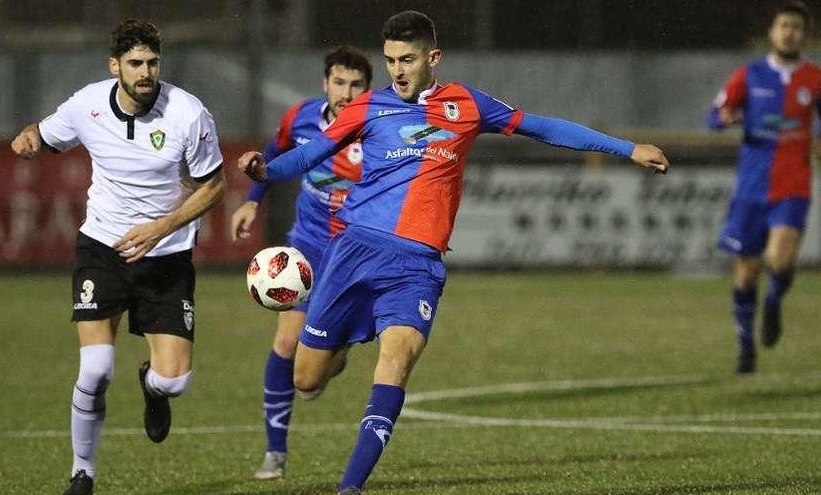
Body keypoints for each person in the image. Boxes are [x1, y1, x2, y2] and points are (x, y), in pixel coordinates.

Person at [238, 11, 668, 495]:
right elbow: (308, 155)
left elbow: (542, 126)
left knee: (397, 360)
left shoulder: (466, 104)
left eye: (407, 59)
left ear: (432, 58)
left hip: (417, 265)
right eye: (390, 60)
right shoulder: (368, 109)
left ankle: (350, 488)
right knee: (307, 378)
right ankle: (338, 347)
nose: (397, 70)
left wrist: (625, 148)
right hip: (353, 251)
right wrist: (265, 173)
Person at [10, 19, 226, 495]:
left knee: (174, 383)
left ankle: (151, 386)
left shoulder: (188, 113)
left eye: (152, 62)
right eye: (135, 64)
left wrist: (161, 228)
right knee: (95, 368)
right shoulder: (87, 104)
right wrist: (29, 139)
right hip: (102, 248)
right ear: (116, 67)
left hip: (166, 256)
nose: (145, 72)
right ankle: (82, 472)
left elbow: (214, 186)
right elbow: (44, 132)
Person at [230, 46, 373, 480]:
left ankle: (339, 349)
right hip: (308, 245)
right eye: (339, 83)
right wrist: (252, 202)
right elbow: (273, 153)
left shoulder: (378, 126)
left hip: (356, 251)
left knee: (313, 376)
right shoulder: (301, 117)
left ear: (368, 88)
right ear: (325, 83)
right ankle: (275, 451)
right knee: (288, 346)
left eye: (356, 85)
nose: (347, 92)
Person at [708, 1, 820, 374]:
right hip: (751, 188)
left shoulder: (814, 79)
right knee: (746, 272)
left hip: (793, 184)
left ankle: (772, 304)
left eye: (796, 27)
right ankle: (745, 347)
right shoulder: (750, 74)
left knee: (781, 260)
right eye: (784, 25)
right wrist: (724, 117)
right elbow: (716, 114)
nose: (790, 32)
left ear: (805, 35)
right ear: (771, 32)